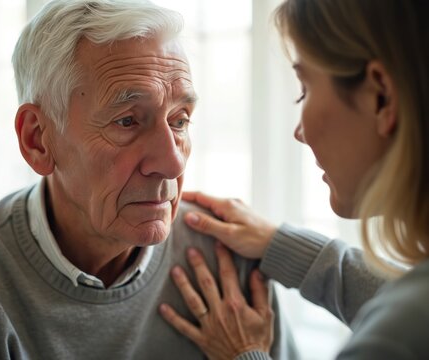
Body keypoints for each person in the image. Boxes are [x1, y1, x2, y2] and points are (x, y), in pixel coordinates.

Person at [0, 1, 297, 359]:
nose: (173, 163)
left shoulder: (228, 257)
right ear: (38, 139)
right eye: (127, 121)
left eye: (180, 120)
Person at [160, 0, 429, 359]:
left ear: (380, 97)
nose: (299, 132)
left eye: (305, 89)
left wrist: (245, 353)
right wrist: (281, 245)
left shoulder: (395, 338)